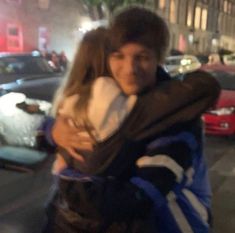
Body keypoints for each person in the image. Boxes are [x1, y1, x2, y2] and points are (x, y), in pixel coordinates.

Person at [43, 6, 220, 233]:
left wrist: (71, 184)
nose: (130, 69)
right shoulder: (110, 96)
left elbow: (140, 196)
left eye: (142, 57)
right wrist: (54, 131)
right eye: (119, 56)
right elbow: (47, 134)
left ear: (159, 58)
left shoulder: (176, 116)